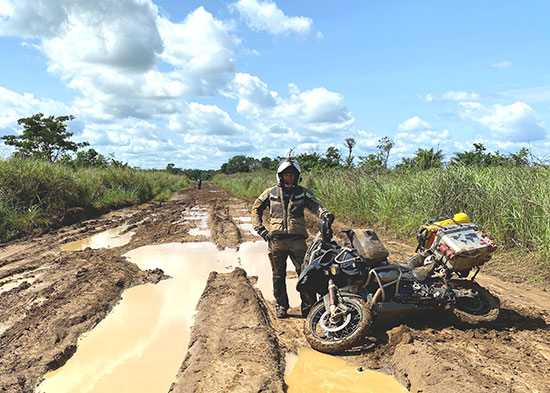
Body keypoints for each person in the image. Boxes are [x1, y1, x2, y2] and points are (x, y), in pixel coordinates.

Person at [251, 158, 334, 318]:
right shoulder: (270, 193)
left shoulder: (303, 193)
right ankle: (281, 306)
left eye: (292, 175)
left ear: (297, 177)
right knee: (278, 275)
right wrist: (260, 229)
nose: (289, 178)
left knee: (306, 274)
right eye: (286, 175)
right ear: (280, 176)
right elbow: (256, 209)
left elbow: (315, 205)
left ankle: (308, 307)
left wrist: (324, 214)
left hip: (298, 242)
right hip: (276, 242)